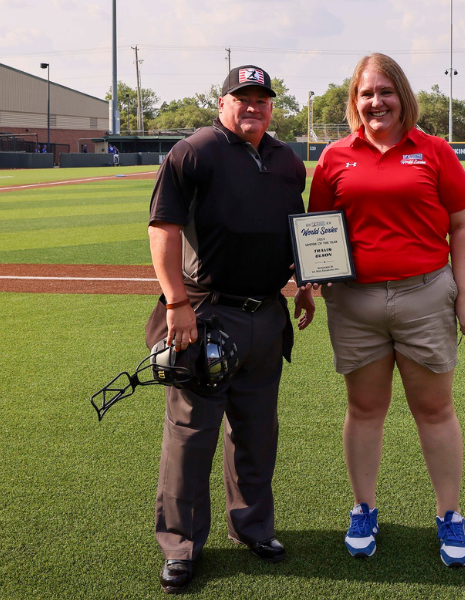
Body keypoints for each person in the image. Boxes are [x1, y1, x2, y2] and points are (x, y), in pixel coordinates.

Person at [145, 64, 314, 594]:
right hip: (207, 312)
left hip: (267, 312)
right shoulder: (193, 151)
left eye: (262, 98)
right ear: (222, 102)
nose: (253, 106)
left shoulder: (288, 160)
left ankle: (253, 526)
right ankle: (181, 545)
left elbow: (297, 228)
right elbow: (163, 228)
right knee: (192, 435)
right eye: (243, 97)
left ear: (271, 107)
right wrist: (176, 302)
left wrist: (305, 283)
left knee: (258, 433)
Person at [307, 53, 465, 567]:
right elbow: (317, 230)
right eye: (366, 94)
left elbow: (463, 225)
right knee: (364, 410)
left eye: (385, 91)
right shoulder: (335, 156)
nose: (375, 102)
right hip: (354, 301)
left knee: (435, 410)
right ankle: (363, 508)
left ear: (403, 95)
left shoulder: (434, 151)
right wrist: (307, 284)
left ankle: (449, 514)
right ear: (354, 101)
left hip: (425, 295)